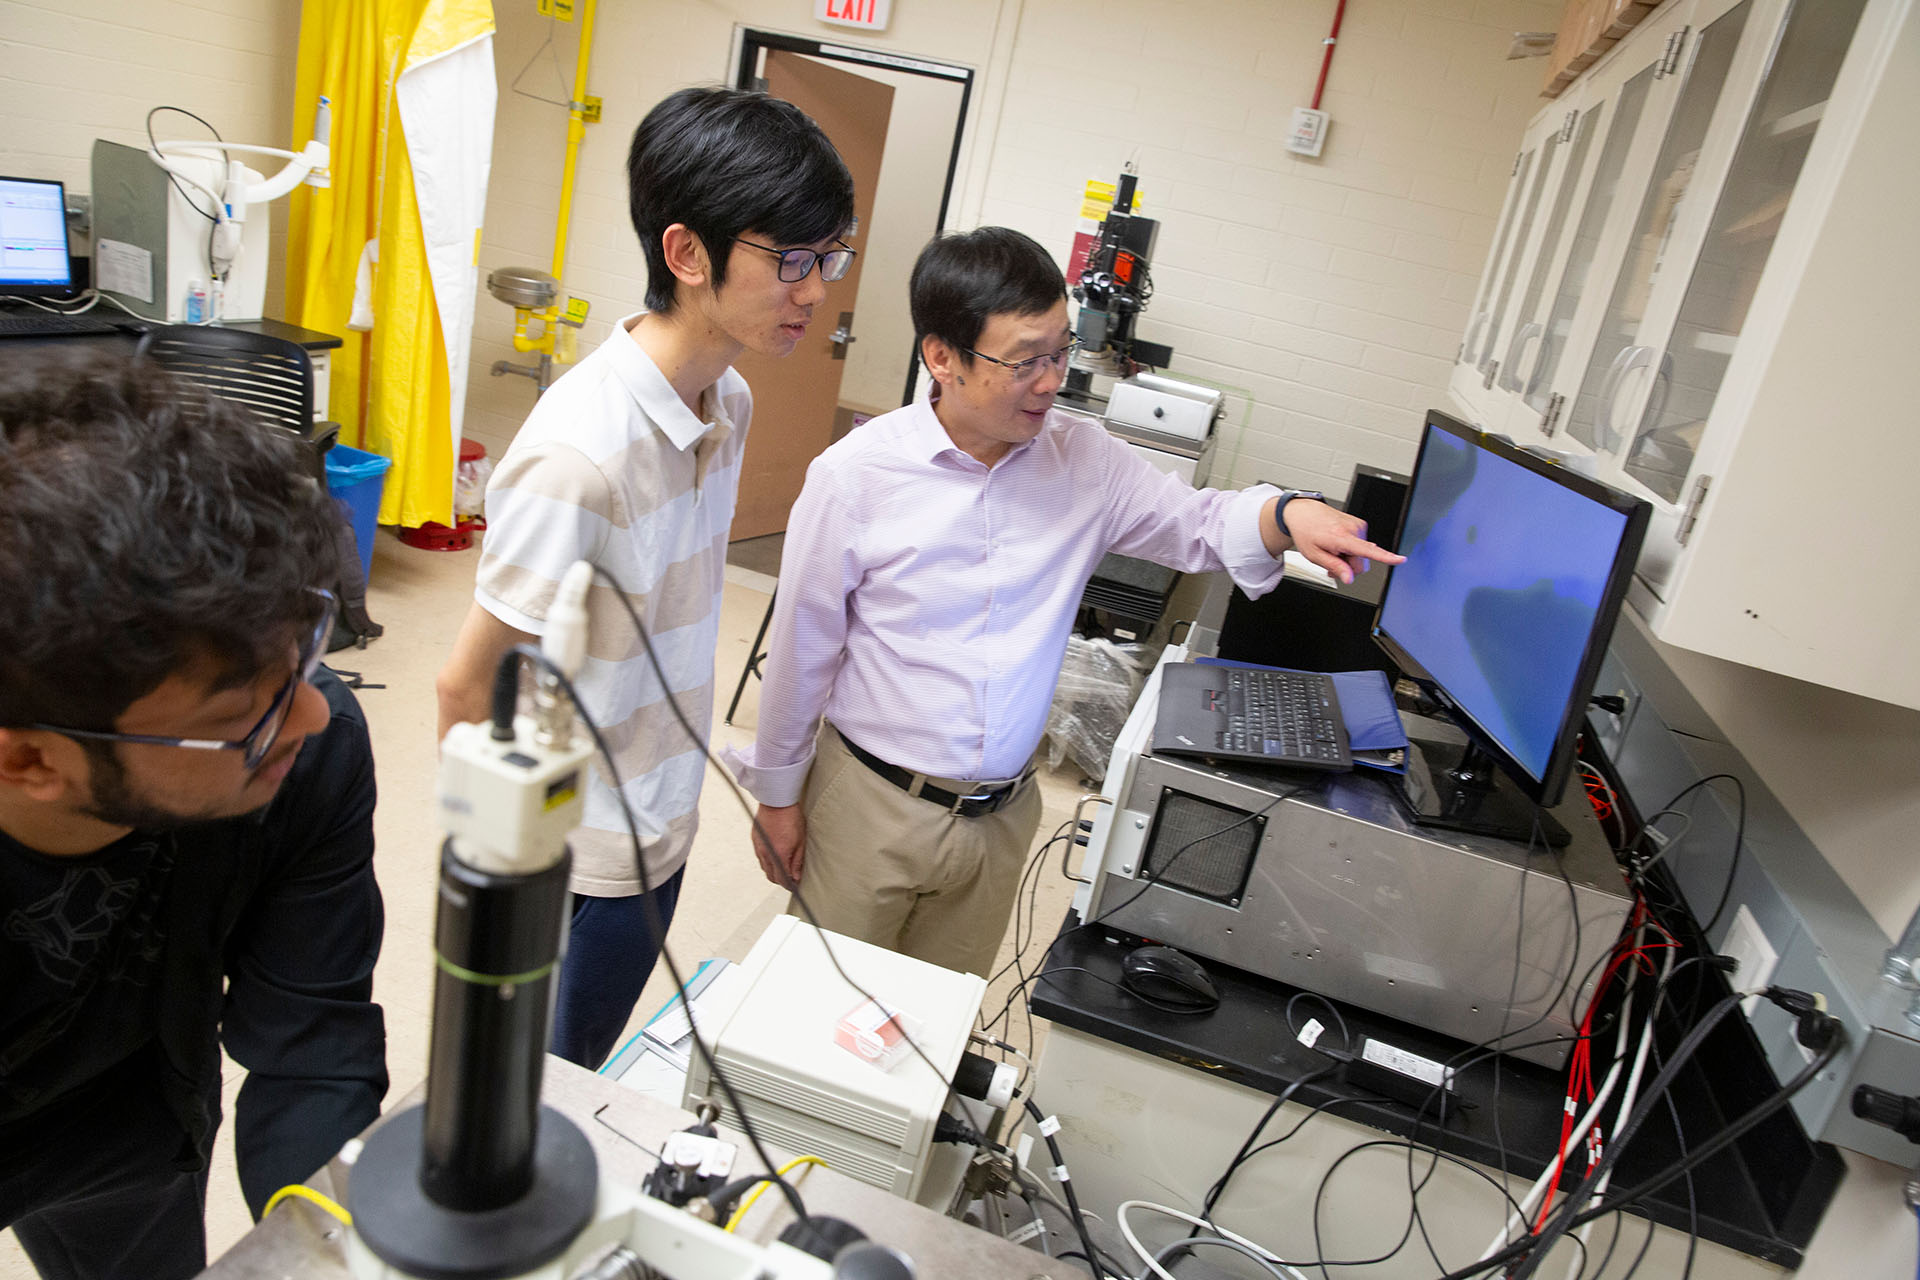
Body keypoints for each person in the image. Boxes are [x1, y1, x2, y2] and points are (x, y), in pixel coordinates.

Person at [723, 227, 1403, 977]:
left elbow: (1199, 522)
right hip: (871, 807)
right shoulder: (856, 476)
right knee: (815, 1025)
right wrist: (779, 797)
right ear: (941, 356)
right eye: (1025, 361)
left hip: (1000, 821)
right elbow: (801, 648)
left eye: (1061, 351)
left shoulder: (1084, 461)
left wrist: (1286, 516)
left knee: (929, 1034)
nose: (1051, 381)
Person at [435, 86, 856, 1070]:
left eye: (827, 259)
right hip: (567, 859)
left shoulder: (731, 398)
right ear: (686, 252)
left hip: (661, 819)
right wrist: (492, 897)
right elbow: (464, 685)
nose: (815, 290)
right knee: (527, 1096)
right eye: (790, 260)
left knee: (575, 1080)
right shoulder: (580, 458)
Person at [0, 350, 388, 1279]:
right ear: (29, 759)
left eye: (301, 656)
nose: (310, 716)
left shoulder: (312, 745)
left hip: (135, 1120)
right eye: (236, 720)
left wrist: (351, 1255)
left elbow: (312, 1049)